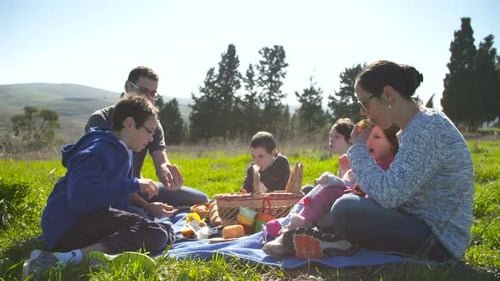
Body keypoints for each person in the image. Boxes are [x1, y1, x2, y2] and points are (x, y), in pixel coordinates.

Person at [284, 60, 474, 261]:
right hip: (420, 226)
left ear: (388, 94)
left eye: (364, 103)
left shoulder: (426, 129)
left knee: (344, 209)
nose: (362, 112)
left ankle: (334, 238)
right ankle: (331, 236)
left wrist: (357, 148)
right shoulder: (416, 126)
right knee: (320, 195)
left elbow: (388, 194)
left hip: (439, 241)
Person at [23, 96, 176, 279]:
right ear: (129, 123)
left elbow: (114, 195)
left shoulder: (121, 149)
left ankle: (97, 255)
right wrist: (133, 184)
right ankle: (64, 259)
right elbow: (80, 196)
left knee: (162, 231)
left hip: (91, 218)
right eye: (149, 131)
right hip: (68, 227)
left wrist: (148, 207)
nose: (151, 139)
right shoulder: (97, 150)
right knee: (154, 233)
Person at [85, 66, 208, 219]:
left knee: (200, 200)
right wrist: (147, 206)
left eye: (153, 93)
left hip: (141, 188)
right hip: (112, 192)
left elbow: (161, 159)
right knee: (144, 219)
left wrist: (166, 173)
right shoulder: (101, 120)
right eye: (143, 91)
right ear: (127, 87)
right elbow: (105, 180)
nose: (148, 98)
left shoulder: (152, 122)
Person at [263, 124, 399, 258]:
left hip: (366, 216)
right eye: (368, 137)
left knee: (332, 190)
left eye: (376, 137)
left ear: (392, 144)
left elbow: (375, 192)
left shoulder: (393, 166)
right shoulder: (371, 163)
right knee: (319, 194)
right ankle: (325, 238)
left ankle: (294, 231)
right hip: (350, 212)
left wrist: (343, 181)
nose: (369, 141)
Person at [300, 118, 355, 195]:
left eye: (337, 136)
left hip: (344, 202)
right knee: (307, 189)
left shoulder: (356, 160)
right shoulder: (342, 159)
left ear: (350, 139)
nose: (331, 140)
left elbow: (349, 189)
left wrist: (344, 173)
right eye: (330, 136)